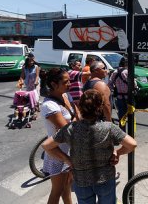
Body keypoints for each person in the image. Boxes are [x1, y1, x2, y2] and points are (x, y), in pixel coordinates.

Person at [42, 89, 137, 204]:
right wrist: (118, 152)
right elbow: (132, 144)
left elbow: (47, 146)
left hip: (81, 181)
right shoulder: (109, 127)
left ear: (80, 107)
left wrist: (67, 160)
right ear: (100, 107)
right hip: (105, 179)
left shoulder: (70, 128)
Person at [41, 68, 78, 204]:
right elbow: (67, 129)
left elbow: (77, 114)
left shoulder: (65, 96)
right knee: (57, 191)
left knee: (67, 186)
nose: (70, 84)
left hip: (68, 149)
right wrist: (76, 120)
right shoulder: (49, 105)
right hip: (57, 153)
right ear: (53, 84)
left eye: (69, 81)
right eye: (66, 82)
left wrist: (76, 120)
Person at [108, 57, 136, 131]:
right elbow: (134, 84)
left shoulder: (115, 72)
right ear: (127, 63)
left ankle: (122, 133)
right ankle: (131, 132)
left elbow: (110, 84)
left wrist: (113, 91)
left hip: (119, 97)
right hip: (129, 97)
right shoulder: (127, 72)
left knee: (121, 116)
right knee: (131, 115)